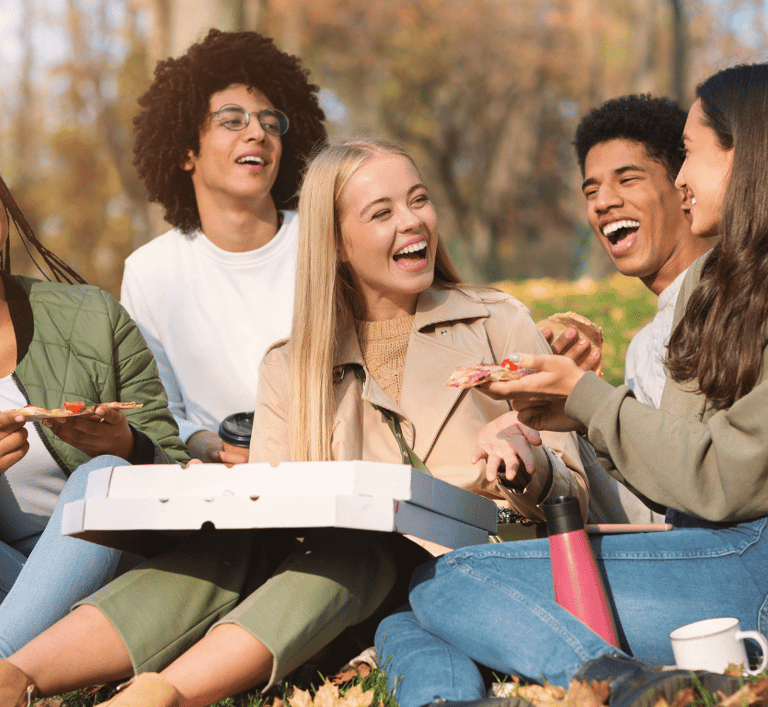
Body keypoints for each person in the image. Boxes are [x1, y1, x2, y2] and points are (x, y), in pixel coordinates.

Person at [0, 138, 587, 707]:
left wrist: (527, 463)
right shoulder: (289, 365)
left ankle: (162, 695)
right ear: (332, 243)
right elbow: (270, 519)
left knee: (366, 549)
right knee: (233, 553)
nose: (412, 222)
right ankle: (16, 674)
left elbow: (577, 494)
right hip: (335, 602)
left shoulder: (497, 323)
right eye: (381, 212)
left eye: (418, 200)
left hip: (476, 573)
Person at [375, 63, 768, 707]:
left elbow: (727, 478)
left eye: (690, 156)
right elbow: (688, 477)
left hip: (744, 567)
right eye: (592, 188)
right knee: (408, 607)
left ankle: (617, 684)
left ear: (747, 156)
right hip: (719, 552)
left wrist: (586, 400)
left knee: (448, 581)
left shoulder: (728, 289)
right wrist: (570, 417)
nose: (686, 176)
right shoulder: (727, 290)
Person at [0, 174, 188, 658]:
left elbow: (181, 474)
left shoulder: (92, 318)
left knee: (104, 478)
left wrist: (127, 448)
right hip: (11, 581)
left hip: (110, 576)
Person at [120, 28, 327, 464]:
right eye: (232, 120)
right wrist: (210, 447)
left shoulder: (326, 241)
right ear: (185, 151)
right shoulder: (151, 272)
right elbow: (157, 412)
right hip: (217, 492)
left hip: (325, 464)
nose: (257, 133)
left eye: (271, 122)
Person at [567, 94, 717, 524]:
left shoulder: (738, 303)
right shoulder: (644, 346)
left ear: (684, 187)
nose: (602, 202)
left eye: (627, 180)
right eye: (591, 190)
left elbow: (712, 477)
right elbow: (655, 513)